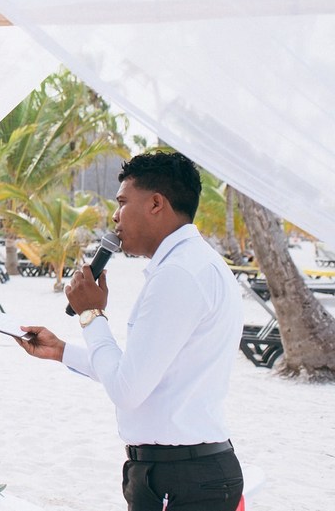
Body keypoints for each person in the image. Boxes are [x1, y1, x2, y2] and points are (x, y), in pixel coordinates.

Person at [17, 151, 244, 511]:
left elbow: (127, 390)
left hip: (181, 478)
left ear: (156, 204)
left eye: (122, 202)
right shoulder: (194, 264)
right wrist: (61, 350)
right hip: (187, 471)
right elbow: (139, 373)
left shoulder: (179, 274)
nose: (115, 216)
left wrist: (91, 314)